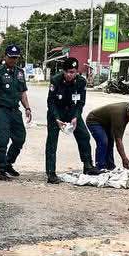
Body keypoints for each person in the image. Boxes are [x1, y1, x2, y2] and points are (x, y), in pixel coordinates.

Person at [0, 43, 32, 181]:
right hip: (1, 110)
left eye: (16, 58)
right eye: (11, 57)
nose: (13, 60)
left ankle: (8, 162)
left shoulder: (20, 73)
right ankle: (1, 169)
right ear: (5, 56)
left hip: (15, 111)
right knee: (1, 140)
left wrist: (27, 108)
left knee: (20, 138)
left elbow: (23, 93)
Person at [44, 56, 96, 184]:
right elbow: (50, 102)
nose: (69, 75)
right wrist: (56, 118)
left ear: (77, 72)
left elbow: (81, 102)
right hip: (56, 112)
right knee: (52, 141)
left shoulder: (81, 82)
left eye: (72, 72)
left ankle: (88, 165)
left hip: (72, 111)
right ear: (63, 71)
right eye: (67, 71)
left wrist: (75, 117)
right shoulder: (55, 80)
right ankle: (51, 173)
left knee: (84, 135)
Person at [85, 101, 129, 171]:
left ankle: (110, 166)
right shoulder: (119, 116)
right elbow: (118, 141)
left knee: (110, 142)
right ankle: (100, 167)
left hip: (107, 122)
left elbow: (119, 136)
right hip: (94, 120)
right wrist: (124, 158)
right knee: (103, 142)